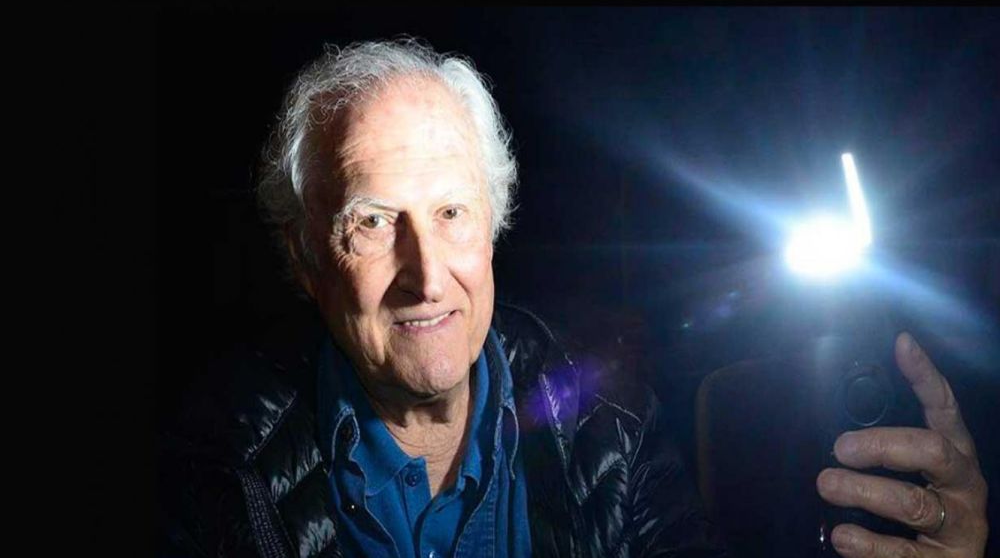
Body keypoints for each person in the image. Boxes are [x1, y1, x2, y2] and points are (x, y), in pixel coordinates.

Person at [159, 39, 988, 558]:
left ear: (493, 224)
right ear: (306, 258)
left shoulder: (610, 421)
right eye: (373, 222)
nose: (426, 274)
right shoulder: (210, 472)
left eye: (452, 213)